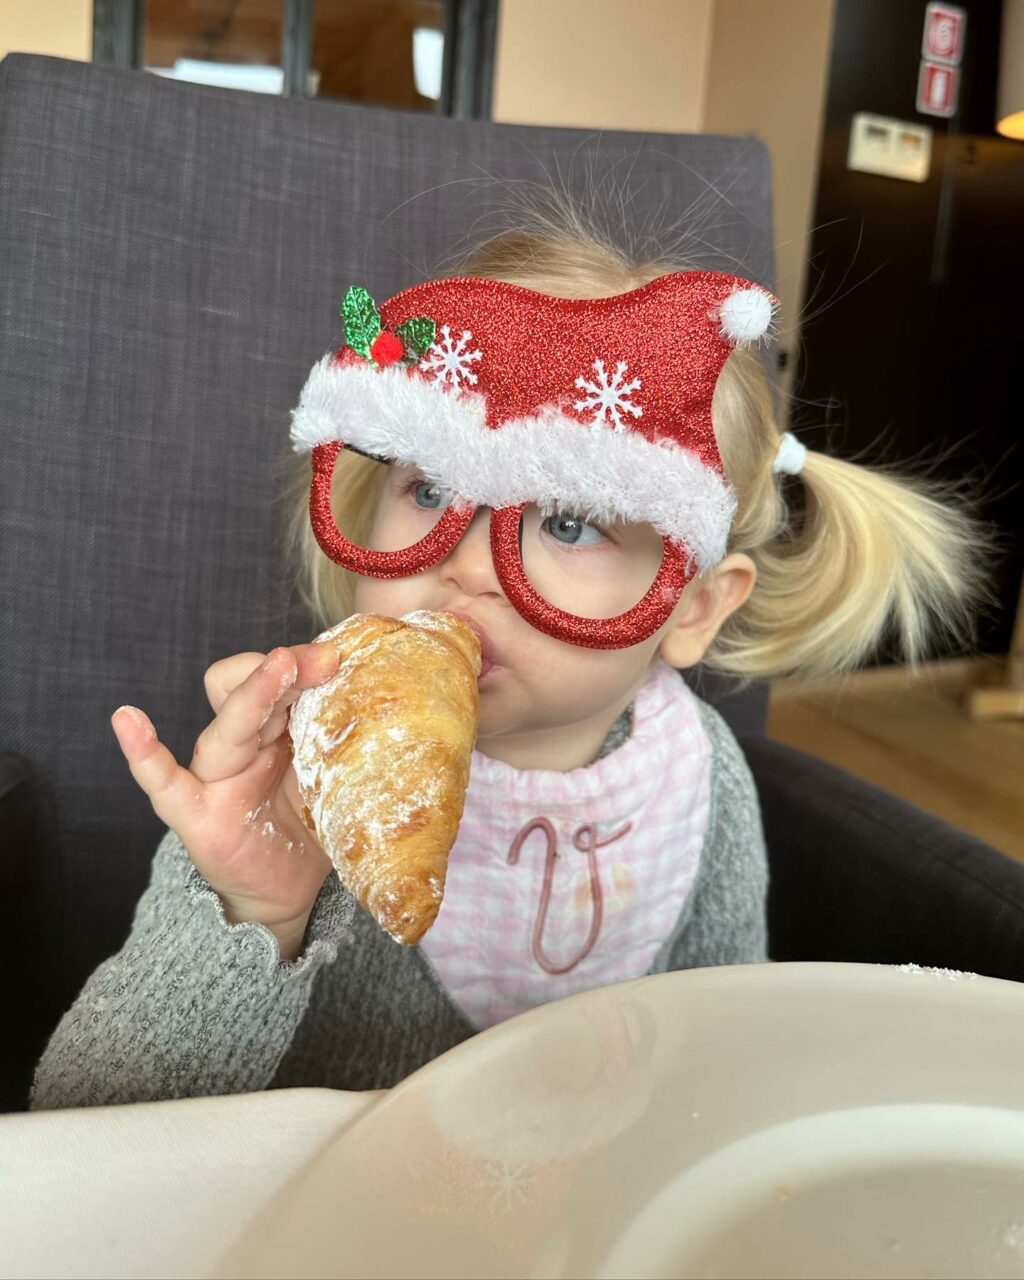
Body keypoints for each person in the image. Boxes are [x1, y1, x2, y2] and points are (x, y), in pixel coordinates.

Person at [30, 218, 989, 1109]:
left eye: (569, 522)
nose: (466, 566)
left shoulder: (703, 788)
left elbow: (724, 1065)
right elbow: (90, 1126)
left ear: (692, 608)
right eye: (429, 488)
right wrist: (252, 905)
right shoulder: (296, 773)